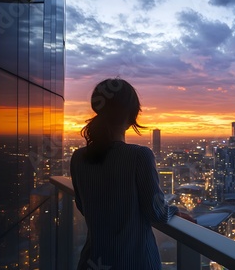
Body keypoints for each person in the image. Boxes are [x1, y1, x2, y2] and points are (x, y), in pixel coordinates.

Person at [70, 78, 183, 269]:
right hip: (135, 262)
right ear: (132, 115)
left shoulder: (78, 157)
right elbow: (157, 213)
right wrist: (176, 211)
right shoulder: (139, 156)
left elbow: (83, 206)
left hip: (92, 261)